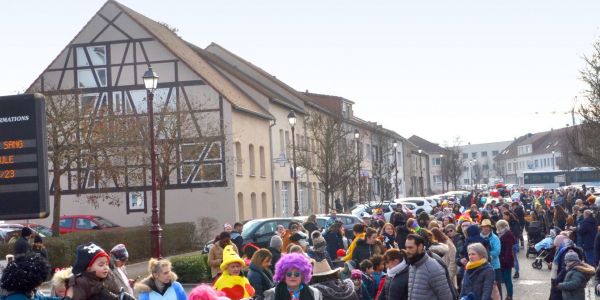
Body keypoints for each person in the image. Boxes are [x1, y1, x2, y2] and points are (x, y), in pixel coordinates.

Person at [68, 242, 133, 300]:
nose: (106, 268)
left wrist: (119, 297)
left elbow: (109, 294)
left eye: (107, 264)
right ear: (89, 268)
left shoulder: (102, 279)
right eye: (101, 265)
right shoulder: (81, 282)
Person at [405, 234, 453, 300]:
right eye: (406, 247)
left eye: (410, 247)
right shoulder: (412, 266)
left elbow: (446, 297)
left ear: (420, 247)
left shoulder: (434, 267)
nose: (407, 251)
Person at [479, 219, 502, 299]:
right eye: (484, 227)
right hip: (481, 266)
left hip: (494, 266)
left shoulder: (495, 238)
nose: (485, 228)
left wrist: (486, 256)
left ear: (490, 228)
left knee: (497, 288)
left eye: (487, 227)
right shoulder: (478, 237)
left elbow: (497, 251)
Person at [496, 219, 515, 300]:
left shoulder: (507, 235)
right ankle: (509, 295)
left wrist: (504, 260)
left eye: (498, 227)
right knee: (507, 279)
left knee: (508, 280)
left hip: (506, 260)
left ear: (501, 226)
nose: (497, 229)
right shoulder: (505, 233)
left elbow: (508, 249)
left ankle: (509, 296)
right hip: (505, 259)